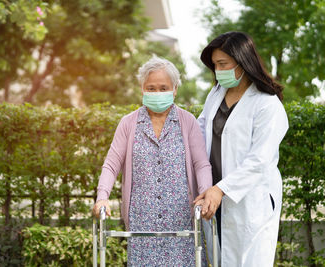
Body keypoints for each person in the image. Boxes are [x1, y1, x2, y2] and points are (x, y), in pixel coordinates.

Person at [92, 56, 212, 266]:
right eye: (151, 88)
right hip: (142, 224)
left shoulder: (188, 122)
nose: (157, 93)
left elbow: (201, 164)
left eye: (163, 87)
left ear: (175, 89)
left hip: (182, 221)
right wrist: (102, 197)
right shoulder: (128, 123)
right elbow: (111, 164)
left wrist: (204, 195)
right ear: (142, 89)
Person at [193, 31, 289, 267]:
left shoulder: (267, 105)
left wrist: (222, 189)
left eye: (223, 64)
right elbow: (199, 130)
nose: (218, 70)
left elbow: (260, 160)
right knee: (217, 260)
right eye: (215, 65)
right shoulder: (216, 94)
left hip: (248, 202)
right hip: (213, 198)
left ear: (243, 61)